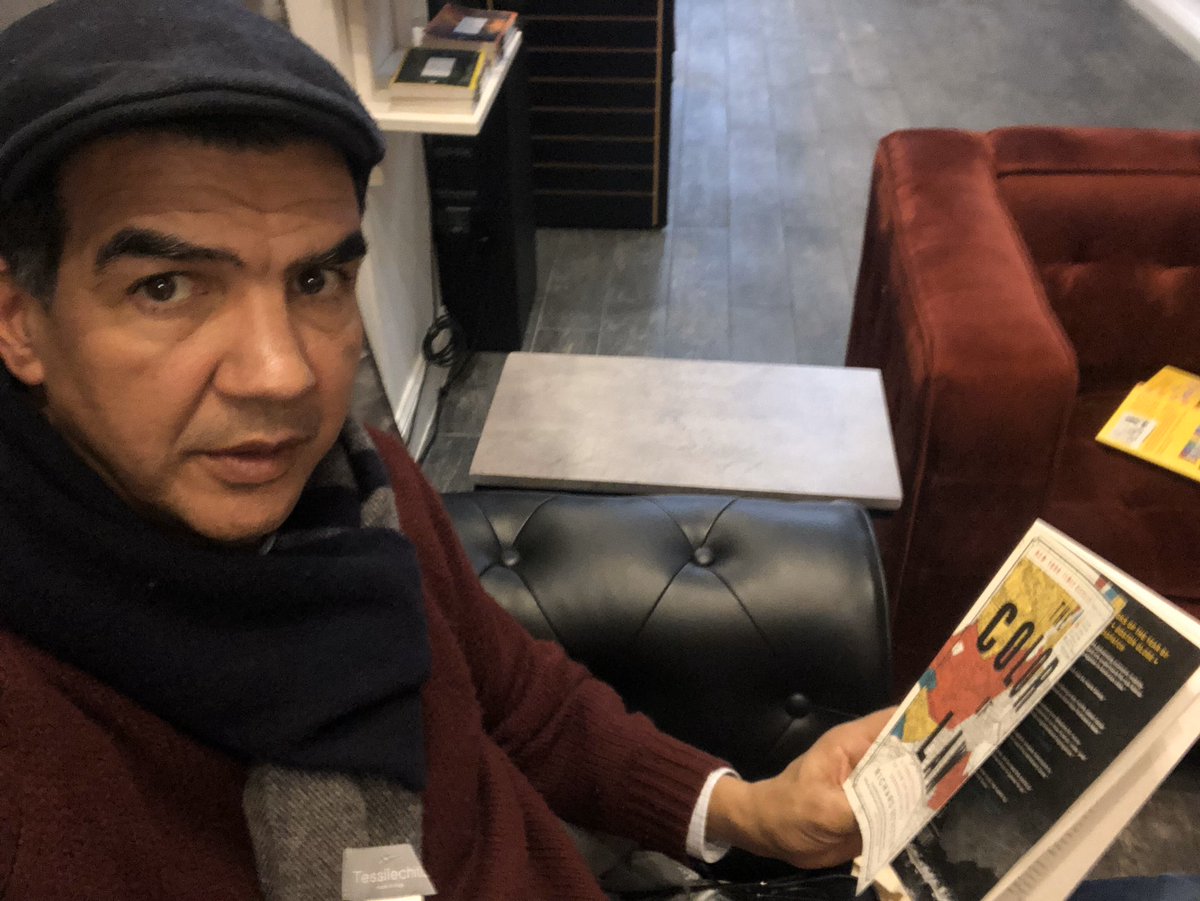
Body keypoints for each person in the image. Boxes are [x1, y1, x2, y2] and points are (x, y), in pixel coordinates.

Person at [0, 1, 890, 898]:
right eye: (167, 286)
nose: (282, 374)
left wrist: (750, 809)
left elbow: (520, 700)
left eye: (315, 278)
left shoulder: (361, 491)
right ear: (17, 319)